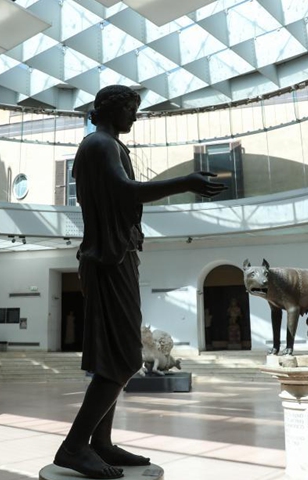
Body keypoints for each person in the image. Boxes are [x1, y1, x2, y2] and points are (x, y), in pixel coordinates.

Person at [52, 85, 227, 479]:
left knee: (114, 357)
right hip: (108, 259)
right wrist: (185, 183)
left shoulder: (107, 145)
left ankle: (101, 442)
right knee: (125, 357)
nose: (135, 117)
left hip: (116, 257)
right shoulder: (99, 145)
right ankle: (74, 446)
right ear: (113, 110)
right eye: (131, 109)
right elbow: (125, 192)